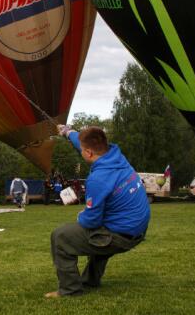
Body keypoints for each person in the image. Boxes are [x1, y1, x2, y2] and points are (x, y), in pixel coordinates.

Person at [46, 126, 150, 298]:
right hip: (137, 229)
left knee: (60, 237)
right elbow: (82, 142)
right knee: (100, 229)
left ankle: (70, 290)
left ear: (88, 153)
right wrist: (67, 131)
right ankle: (91, 280)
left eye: (82, 150)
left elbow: (90, 222)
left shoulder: (99, 178)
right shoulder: (116, 155)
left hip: (121, 236)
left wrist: (81, 215)